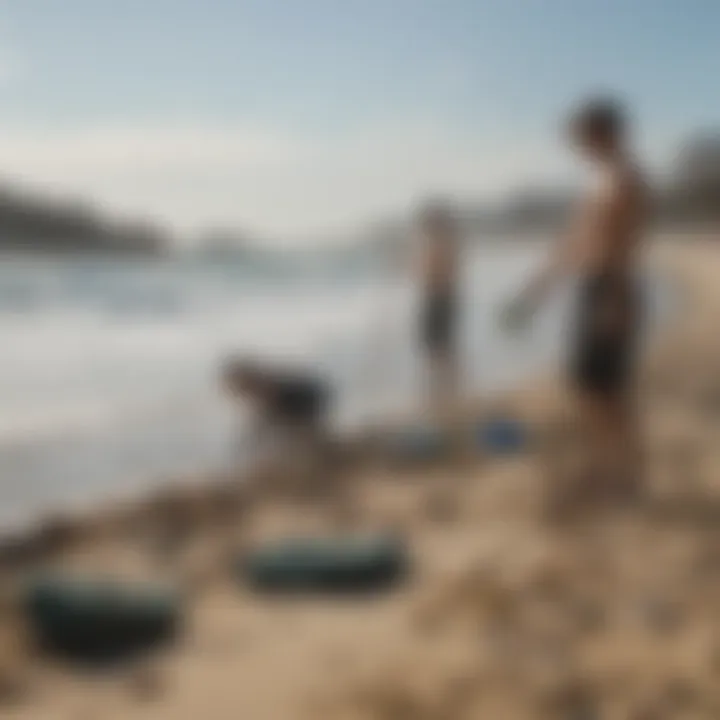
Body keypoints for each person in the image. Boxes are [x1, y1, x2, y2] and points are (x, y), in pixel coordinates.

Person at [503, 97, 647, 506]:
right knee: (587, 385)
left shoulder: (625, 180)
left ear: (605, 134)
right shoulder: (599, 181)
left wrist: (617, 302)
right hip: (592, 286)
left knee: (609, 391)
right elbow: (571, 242)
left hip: (610, 288)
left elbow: (621, 249)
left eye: (581, 137)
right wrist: (534, 293)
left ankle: (626, 479)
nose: (577, 146)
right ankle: (604, 468)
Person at [220, 357, 331, 463]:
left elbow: (262, 426)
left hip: (304, 406)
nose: (243, 395)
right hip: (301, 410)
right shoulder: (267, 398)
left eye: (242, 387)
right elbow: (260, 428)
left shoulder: (275, 391)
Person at [414, 200, 461, 416]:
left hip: (438, 300)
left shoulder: (441, 243)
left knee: (438, 349)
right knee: (438, 349)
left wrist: (417, 268)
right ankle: (444, 393)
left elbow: (435, 274)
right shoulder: (444, 242)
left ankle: (444, 395)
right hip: (441, 299)